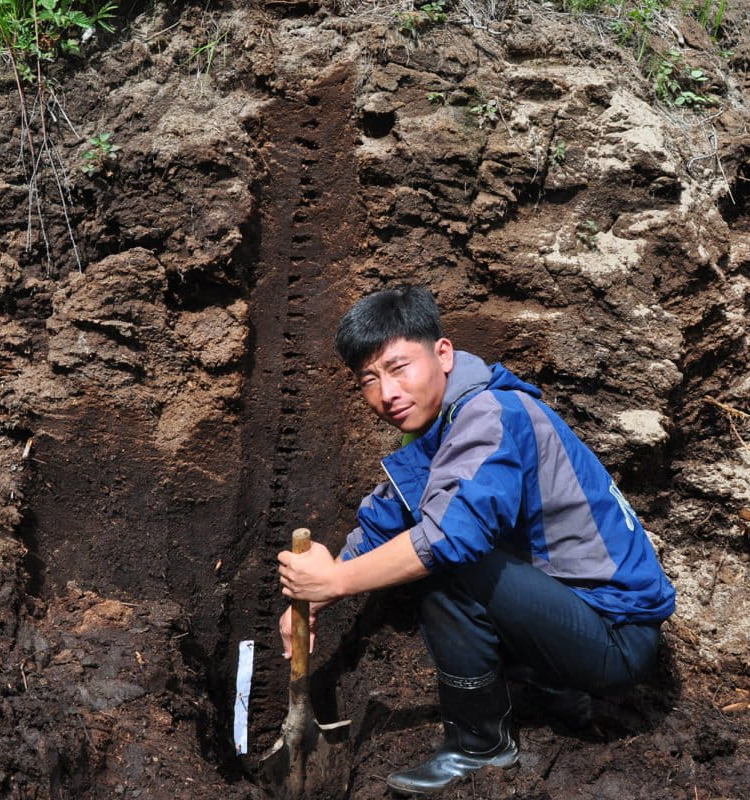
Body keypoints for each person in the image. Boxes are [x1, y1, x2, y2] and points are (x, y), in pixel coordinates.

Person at [276, 286, 676, 795]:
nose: (386, 393)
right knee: (428, 548)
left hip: (617, 635)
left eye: (398, 368)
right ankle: (557, 691)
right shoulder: (443, 422)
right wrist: (315, 598)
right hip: (577, 617)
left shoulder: (490, 414)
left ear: (443, 354)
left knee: (448, 564)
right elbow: (387, 518)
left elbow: (449, 538)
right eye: (369, 380)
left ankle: (480, 745)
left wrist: (337, 582)